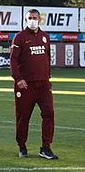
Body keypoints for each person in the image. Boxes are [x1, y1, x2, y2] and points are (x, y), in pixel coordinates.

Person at [10, 9, 58, 160]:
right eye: (29, 18)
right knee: (23, 117)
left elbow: (47, 57)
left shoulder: (45, 37)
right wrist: (18, 78)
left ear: (40, 19)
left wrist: (47, 76)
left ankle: (45, 148)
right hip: (25, 85)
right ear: (25, 20)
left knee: (49, 113)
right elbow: (13, 60)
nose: (32, 20)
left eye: (34, 18)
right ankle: (22, 146)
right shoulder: (19, 37)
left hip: (43, 85)